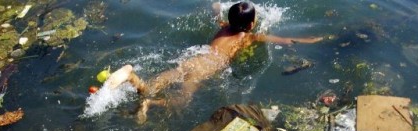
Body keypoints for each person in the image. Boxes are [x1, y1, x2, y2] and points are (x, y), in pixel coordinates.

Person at [106, 1, 326, 123]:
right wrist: (314, 39)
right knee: (181, 102)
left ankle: (131, 77)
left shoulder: (223, 26)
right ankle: (148, 103)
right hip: (204, 70)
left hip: (192, 60)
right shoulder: (249, 38)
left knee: (153, 86)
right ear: (251, 25)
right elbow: (287, 40)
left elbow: (216, 12)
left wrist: (216, 6)